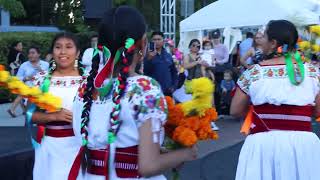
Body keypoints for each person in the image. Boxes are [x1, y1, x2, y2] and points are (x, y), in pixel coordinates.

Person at [71, 6, 197, 180]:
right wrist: (187, 153)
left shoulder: (85, 88)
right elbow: (148, 165)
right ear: (143, 43)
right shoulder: (145, 88)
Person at [231, 20, 320, 180]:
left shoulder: (254, 73)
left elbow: (235, 110)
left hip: (263, 144)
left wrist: (261, 113)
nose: (259, 39)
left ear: (273, 43)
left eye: (263, 36)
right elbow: (318, 110)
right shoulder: (313, 72)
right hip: (302, 145)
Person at [29, 32, 85, 180]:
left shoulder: (88, 80)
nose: (63, 52)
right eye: (58, 47)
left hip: (80, 148)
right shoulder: (41, 80)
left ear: (78, 52)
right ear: (52, 52)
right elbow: (30, 115)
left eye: (69, 47)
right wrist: (53, 116)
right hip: (50, 149)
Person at [7, 46, 49, 118]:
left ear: (39, 54)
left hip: (41, 86)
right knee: (25, 90)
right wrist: (25, 78)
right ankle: (17, 109)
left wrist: (41, 71)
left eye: (33, 53)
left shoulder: (45, 64)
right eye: (29, 53)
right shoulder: (24, 65)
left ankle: (17, 109)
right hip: (28, 86)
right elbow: (18, 78)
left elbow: (48, 77)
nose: (30, 55)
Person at [144, 31, 178, 96]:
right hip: (153, 92)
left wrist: (174, 87)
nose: (156, 41)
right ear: (151, 41)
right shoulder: (146, 55)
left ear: (163, 41)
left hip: (167, 92)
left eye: (159, 39)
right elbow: (144, 72)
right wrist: (149, 59)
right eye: (154, 39)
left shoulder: (168, 55)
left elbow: (174, 72)